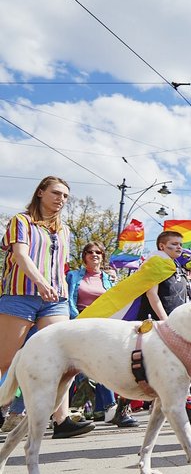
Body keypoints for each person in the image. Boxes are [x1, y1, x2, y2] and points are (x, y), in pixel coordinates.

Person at [0, 177, 93, 438]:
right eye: (55, 193)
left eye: (65, 196)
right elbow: (20, 254)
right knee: (5, 360)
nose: (61, 199)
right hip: (20, 294)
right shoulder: (22, 221)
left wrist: (63, 293)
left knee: (64, 358)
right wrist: (40, 282)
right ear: (40, 192)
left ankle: (61, 420)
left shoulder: (63, 229)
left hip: (55, 299)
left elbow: (61, 265)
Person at [138, 230, 191, 422]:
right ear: (162, 246)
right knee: (170, 369)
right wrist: (165, 321)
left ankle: (187, 405)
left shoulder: (176, 268)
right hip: (162, 326)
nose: (179, 247)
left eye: (180, 244)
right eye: (173, 244)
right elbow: (151, 294)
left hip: (182, 327)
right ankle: (186, 405)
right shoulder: (156, 263)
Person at [65, 241, 138, 428]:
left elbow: (117, 304)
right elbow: (67, 300)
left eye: (98, 252)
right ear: (84, 256)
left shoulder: (109, 279)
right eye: (89, 252)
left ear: (102, 257)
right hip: (80, 327)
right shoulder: (73, 276)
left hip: (104, 329)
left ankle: (107, 409)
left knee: (102, 368)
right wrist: (78, 318)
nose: (94, 254)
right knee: (81, 371)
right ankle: (75, 410)